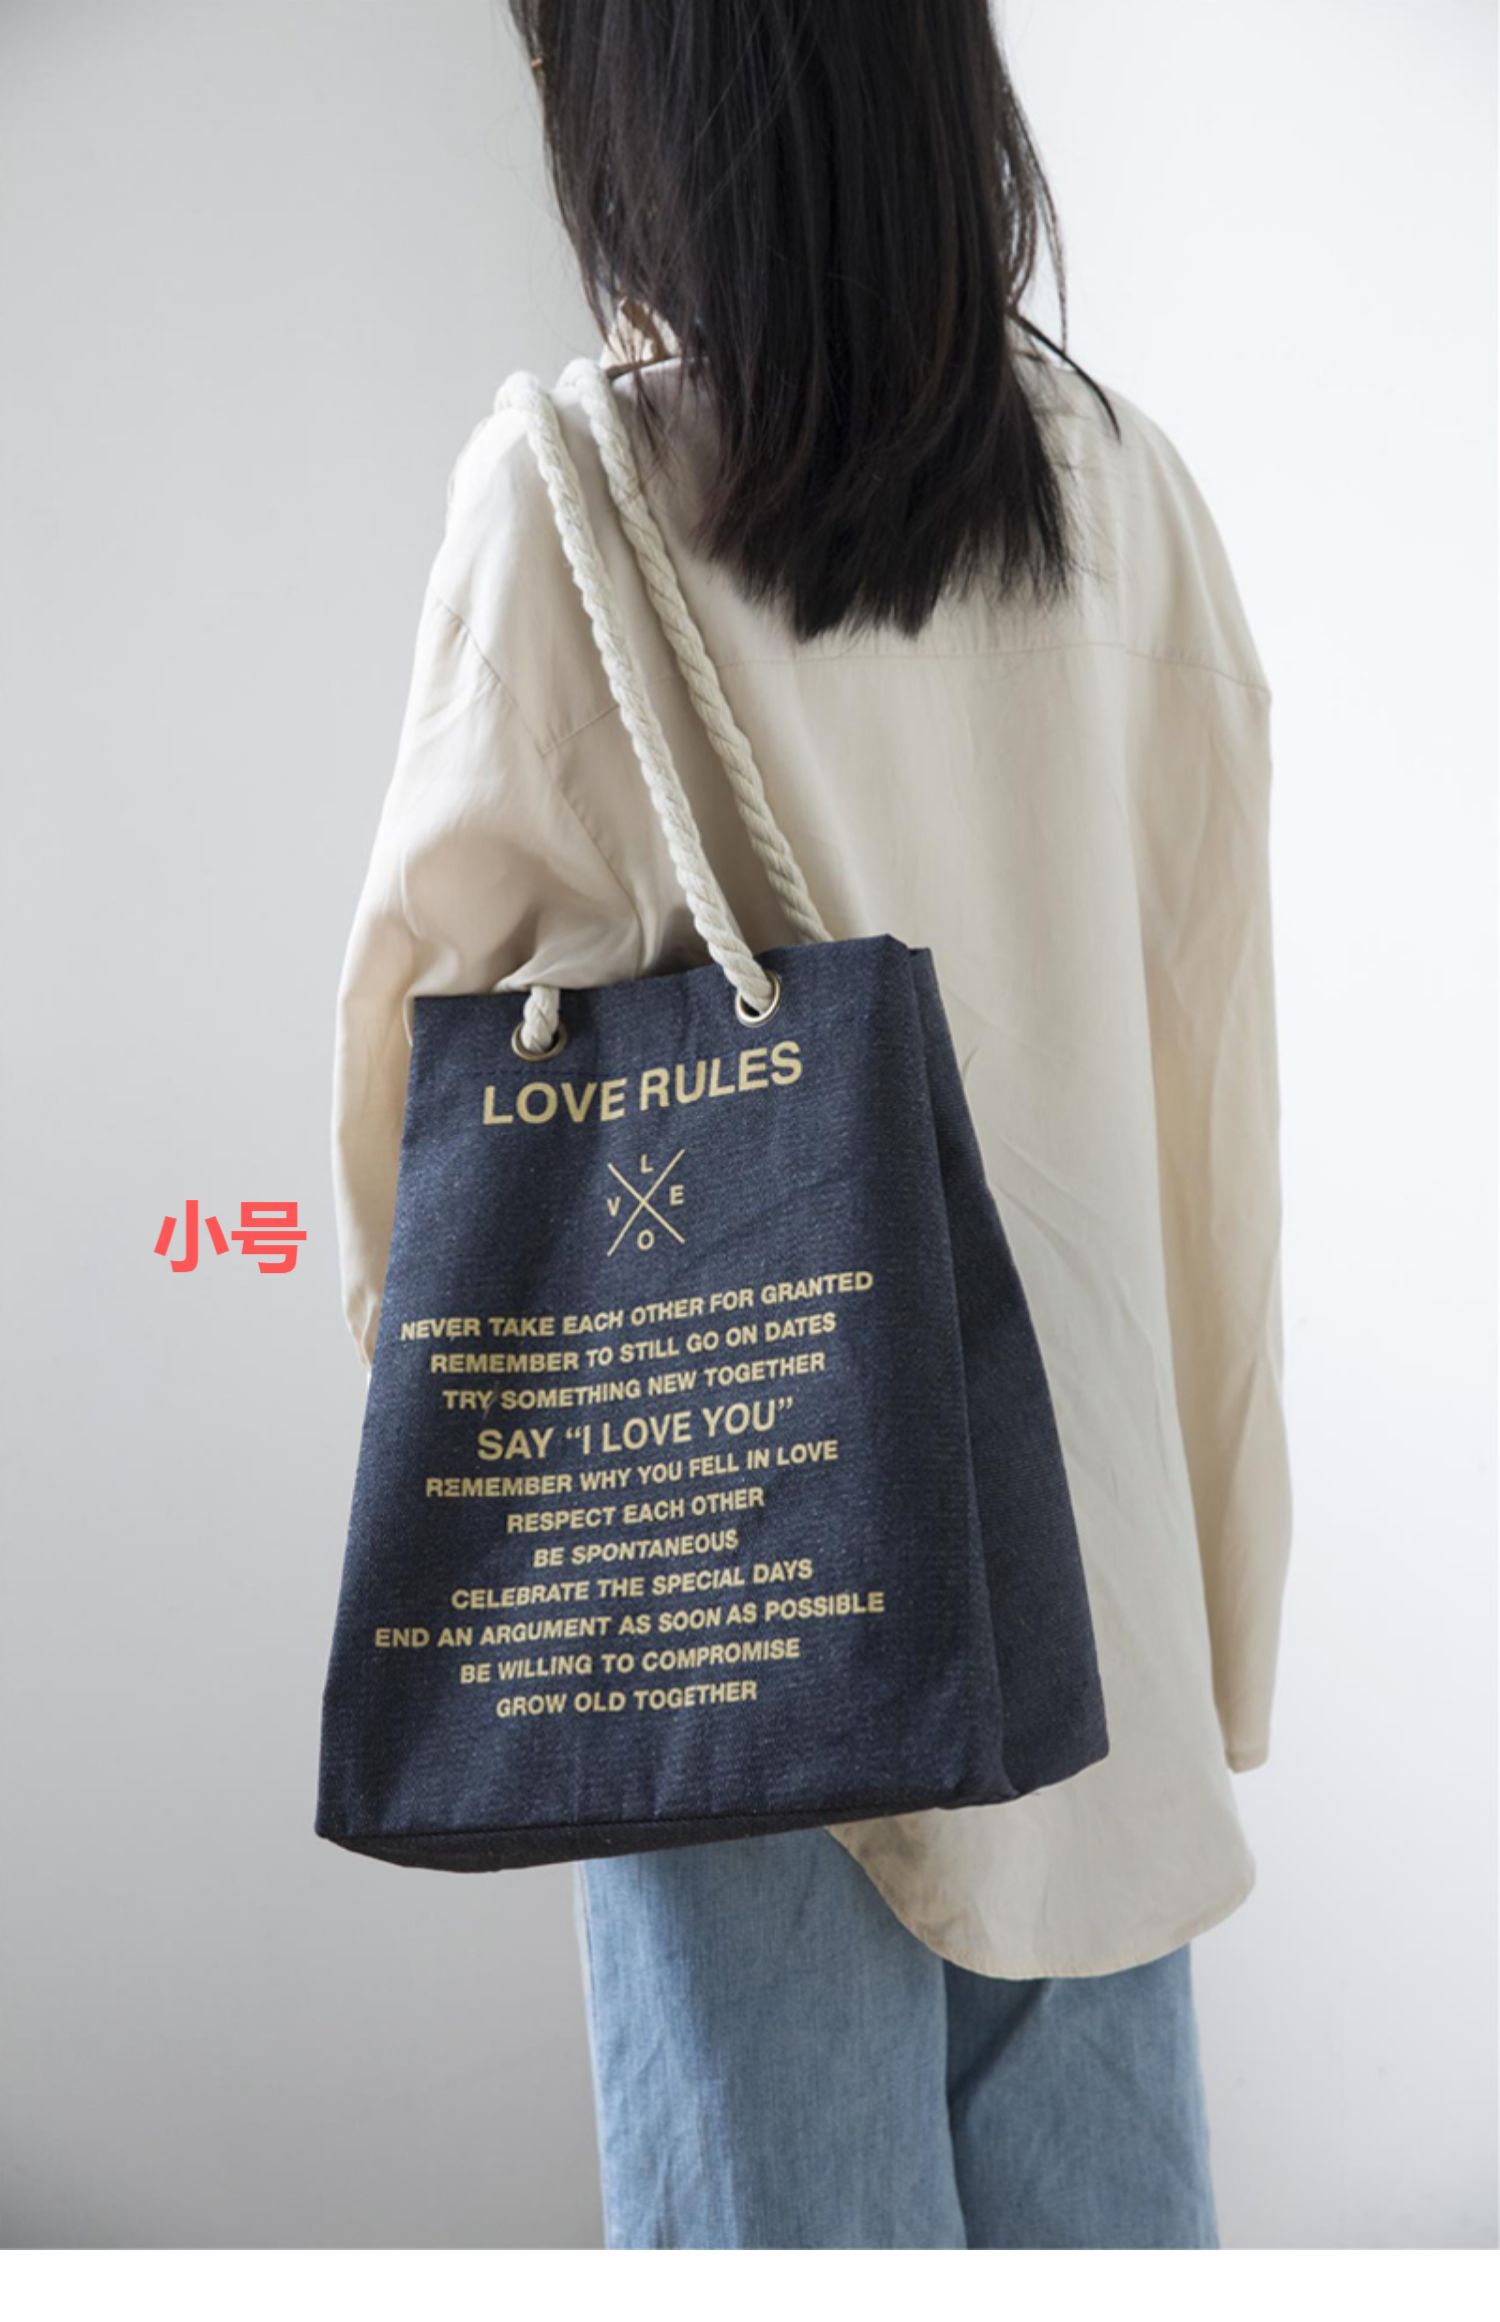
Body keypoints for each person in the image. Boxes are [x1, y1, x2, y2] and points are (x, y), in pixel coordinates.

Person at [330, 0, 1293, 2251]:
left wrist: (474, 1476)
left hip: (751, 1596)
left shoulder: (570, 498)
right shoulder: (1130, 492)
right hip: (1098, 1613)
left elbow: (424, 1130)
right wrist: (1218, 1613)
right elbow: (1218, 1115)